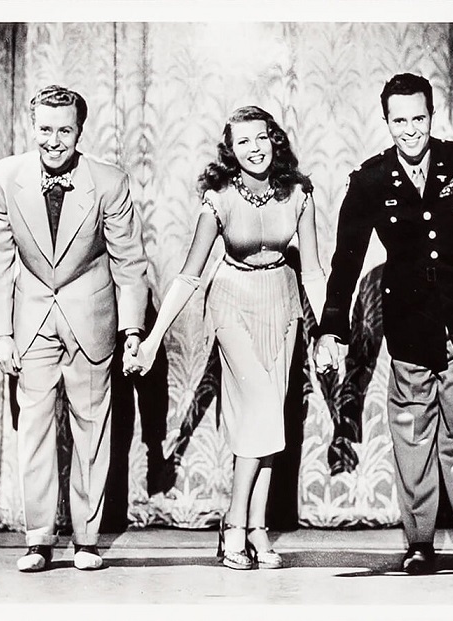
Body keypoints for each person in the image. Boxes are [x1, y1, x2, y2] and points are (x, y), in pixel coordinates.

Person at [315, 73, 453, 575]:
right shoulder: (370, 180)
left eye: (418, 118)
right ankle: (420, 544)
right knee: (413, 439)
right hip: (408, 330)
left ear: (431, 115)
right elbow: (346, 261)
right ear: (386, 121)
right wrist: (331, 328)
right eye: (399, 120)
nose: (410, 130)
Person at [124, 106, 325, 570]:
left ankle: (256, 528)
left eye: (261, 138)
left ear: (274, 140)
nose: (254, 148)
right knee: (261, 407)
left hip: (281, 301)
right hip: (231, 301)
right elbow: (189, 276)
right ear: (230, 151)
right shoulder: (219, 198)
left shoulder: (299, 194)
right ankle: (235, 523)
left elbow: (313, 272)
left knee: (269, 418)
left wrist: (330, 332)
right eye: (243, 142)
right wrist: (152, 341)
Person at [0, 85, 149, 572]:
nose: (54, 141)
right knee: (33, 430)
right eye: (45, 129)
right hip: (31, 321)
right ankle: (37, 540)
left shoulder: (110, 181)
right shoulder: (3, 178)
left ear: (80, 131)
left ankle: (87, 541)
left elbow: (129, 262)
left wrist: (132, 331)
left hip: (91, 321)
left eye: (65, 131)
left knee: (91, 430)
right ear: (32, 127)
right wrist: (0, 333)